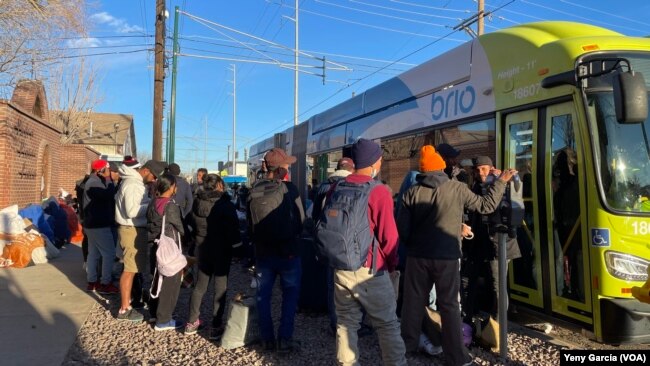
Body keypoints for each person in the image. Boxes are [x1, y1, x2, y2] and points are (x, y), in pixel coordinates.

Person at [396, 145, 516, 366]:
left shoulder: (411, 192)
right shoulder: (457, 188)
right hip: (447, 257)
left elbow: (402, 228)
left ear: (423, 170)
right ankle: (456, 357)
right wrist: (501, 182)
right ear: (441, 167)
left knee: (412, 304)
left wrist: (414, 244)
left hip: (418, 257)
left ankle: (407, 351)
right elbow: (486, 206)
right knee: (449, 305)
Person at [331, 138, 406, 366]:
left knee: (345, 323)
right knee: (387, 324)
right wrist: (392, 266)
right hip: (370, 270)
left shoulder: (337, 186)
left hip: (341, 266)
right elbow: (389, 237)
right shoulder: (379, 191)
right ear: (376, 161)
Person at [247, 147, 305, 353]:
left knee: (263, 296)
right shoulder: (291, 189)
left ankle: (267, 339)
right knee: (290, 296)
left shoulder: (254, 189)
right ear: (280, 169)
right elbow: (302, 220)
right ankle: (285, 338)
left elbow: (250, 225)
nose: (288, 167)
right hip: (289, 253)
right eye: (286, 164)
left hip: (263, 254)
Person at [463, 156, 521, 322]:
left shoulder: (504, 184)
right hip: (478, 243)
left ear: (492, 168)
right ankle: (468, 317)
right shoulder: (474, 187)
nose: (481, 173)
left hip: (499, 243)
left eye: (484, 169)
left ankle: (498, 325)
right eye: (477, 169)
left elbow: (508, 209)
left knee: (498, 285)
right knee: (467, 280)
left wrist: (502, 181)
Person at [185, 174, 242, 339]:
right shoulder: (225, 205)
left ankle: (191, 322)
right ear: (219, 186)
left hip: (202, 248)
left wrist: (194, 239)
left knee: (199, 287)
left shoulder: (197, 202)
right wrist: (238, 250)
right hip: (221, 250)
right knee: (220, 289)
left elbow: (189, 223)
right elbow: (233, 231)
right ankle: (216, 326)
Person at [310, 157, 356, 336]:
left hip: (327, 240)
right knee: (349, 284)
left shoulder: (323, 186)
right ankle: (349, 323)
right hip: (347, 242)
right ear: (351, 169)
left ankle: (334, 322)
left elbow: (314, 215)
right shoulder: (353, 185)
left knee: (331, 283)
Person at [146, 172, 185, 331]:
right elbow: (180, 228)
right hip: (169, 247)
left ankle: (154, 312)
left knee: (156, 278)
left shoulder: (152, 202)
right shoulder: (171, 205)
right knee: (171, 282)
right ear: (171, 187)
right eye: (175, 185)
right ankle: (164, 319)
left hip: (154, 244)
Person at [114, 157, 150, 322]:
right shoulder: (133, 184)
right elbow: (132, 211)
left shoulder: (129, 182)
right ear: (141, 169)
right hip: (131, 229)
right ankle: (124, 308)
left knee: (132, 268)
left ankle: (128, 303)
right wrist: (152, 206)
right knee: (129, 269)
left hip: (131, 228)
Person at [83, 159, 119, 295]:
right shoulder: (94, 183)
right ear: (100, 170)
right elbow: (108, 195)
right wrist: (109, 180)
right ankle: (105, 283)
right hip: (99, 224)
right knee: (109, 254)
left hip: (92, 224)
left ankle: (92, 282)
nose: (110, 172)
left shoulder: (94, 181)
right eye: (107, 169)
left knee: (94, 254)